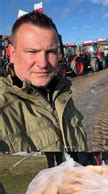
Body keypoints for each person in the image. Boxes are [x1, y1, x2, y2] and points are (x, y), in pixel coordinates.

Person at [0, 11, 87, 153]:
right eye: (32, 52)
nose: (43, 63)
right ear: (13, 54)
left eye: (51, 52)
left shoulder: (62, 95)